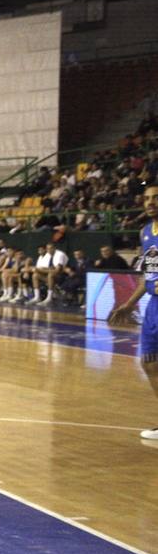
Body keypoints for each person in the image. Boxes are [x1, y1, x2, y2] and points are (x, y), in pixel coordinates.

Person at [107, 184, 158, 440]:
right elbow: (146, 275)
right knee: (149, 362)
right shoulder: (145, 232)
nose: (150, 202)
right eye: (147, 198)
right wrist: (129, 304)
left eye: (155, 198)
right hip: (153, 305)